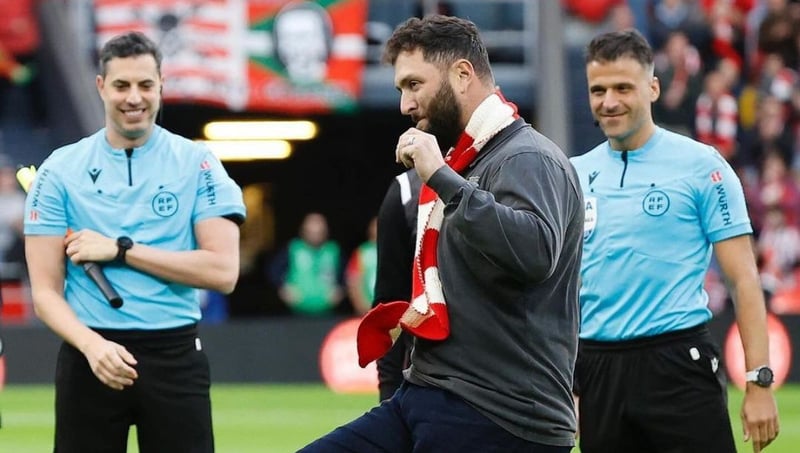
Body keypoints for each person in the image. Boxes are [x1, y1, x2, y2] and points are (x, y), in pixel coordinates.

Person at [300, 14, 583, 452]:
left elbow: (535, 254)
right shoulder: (464, 164)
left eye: (414, 85)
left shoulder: (527, 157)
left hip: (501, 415)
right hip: (427, 394)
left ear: (463, 74)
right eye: (401, 89)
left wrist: (443, 179)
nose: (404, 105)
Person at [23, 31, 246, 452]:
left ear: (161, 86)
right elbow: (45, 294)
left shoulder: (198, 164)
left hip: (175, 354)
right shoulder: (59, 170)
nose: (134, 98)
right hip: (90, 354)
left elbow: (223, 272)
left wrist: (121, 251)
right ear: (101, 86)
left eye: (145, 85)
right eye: (121, 85)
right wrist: (92, 347)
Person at [571, 28, 779, 453]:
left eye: (623, 88)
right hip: (597, 371)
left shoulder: (703, 166)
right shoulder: (572, 174)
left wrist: (758, 381)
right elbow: (562, 291)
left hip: (678, 363)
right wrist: (571, 380)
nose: (608, 101)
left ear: (653, 88)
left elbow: (744, 279)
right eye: (598, 90)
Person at [372, 168, 421, 401]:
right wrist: (389, 391)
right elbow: (390, 301)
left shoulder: (511, 169)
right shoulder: (407, 189)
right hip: (429, 370)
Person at [268, 211, 344, 316]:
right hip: (296, 312)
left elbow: (347, 274)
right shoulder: (293, 248)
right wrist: (283, 288)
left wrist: (341, 290)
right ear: (303, 231)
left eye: (319, 232)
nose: (315, 235)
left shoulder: (333, 250)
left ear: (326, 231)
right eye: (311, 232)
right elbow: (273, 271)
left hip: (328, 312)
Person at [345, 216, 378, 315]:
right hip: (365, 311)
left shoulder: (396, 252)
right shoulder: (361, 252)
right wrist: (362, 307)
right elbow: (353, 281)